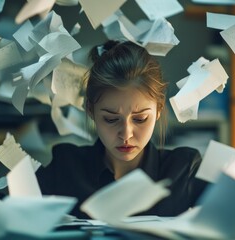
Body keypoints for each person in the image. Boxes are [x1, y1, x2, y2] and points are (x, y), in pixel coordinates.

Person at [36, 40, 208, 219]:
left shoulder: (184, 170)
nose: (126, 134)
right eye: (111, 119)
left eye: (140, 119)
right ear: (90, 110)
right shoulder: (65, 167)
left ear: (158, 109)